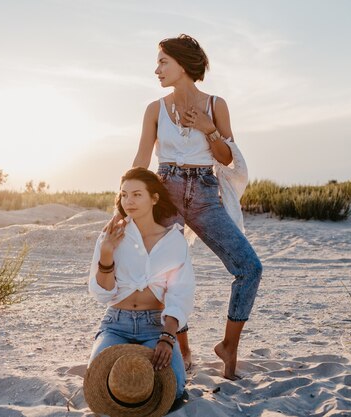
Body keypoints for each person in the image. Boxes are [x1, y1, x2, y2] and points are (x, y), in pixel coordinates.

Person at [131, 34, 263, 380]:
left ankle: (228, 346)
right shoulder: (154, 110)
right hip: (166, 191)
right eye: (158, 62)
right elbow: (143, 159)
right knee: (169, 273)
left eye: (163, 61)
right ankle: (183, 349)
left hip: (205, 194)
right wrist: (124, 200)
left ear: (184, 65)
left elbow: (227, 159)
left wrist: (209, 130)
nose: (156, 69)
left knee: (249, 267)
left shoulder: (216, 104)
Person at [88, 167, 195, 400]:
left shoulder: (173, 240)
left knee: (173, 388)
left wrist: (168, 337)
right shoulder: (110, 236)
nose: (129, 201)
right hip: (116, 323)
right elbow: (104, 294)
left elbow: (180, 293)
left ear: (154, 198)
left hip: (155, 326)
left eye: (137, 194)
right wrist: (106, 254)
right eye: (124, 194)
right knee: (100, 381)